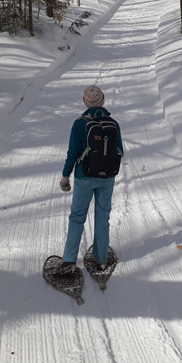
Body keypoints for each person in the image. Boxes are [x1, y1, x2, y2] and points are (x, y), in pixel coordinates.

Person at [57, 85, 123, 275]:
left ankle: (69, 261)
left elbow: (72, 153)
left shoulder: (79, 123)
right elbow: (119, 150)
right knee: (103, 217)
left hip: (84, 177)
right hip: (107, 178)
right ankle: (101, 259)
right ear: (102, 101)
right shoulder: (113, 123)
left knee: (77, 217)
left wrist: (65, 177)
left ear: (85, 103)